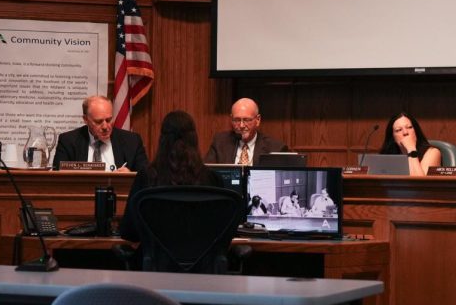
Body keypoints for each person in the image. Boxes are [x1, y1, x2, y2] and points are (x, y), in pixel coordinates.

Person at [119, 110, 222, 243]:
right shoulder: (212, 179)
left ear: (162, 139)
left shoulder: (147, 177)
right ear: (194, 138)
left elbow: (129, 232)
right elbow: (221, 230)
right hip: (202, 261)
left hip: (156, 262)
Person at [53, 95, 148, 172]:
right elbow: (57, 177)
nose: (105, 127)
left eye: (109, 120)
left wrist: (129, 176)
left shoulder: (132, 141)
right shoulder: (68, 141)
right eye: (98, 122)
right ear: (86, 120)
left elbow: (146, 177)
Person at [204, 97, 288, 165]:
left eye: (247, 120)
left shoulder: (275, 148)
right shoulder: (220, 142)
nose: (241, 125)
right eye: (236, 120)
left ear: (258, 120)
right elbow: (207, 174)